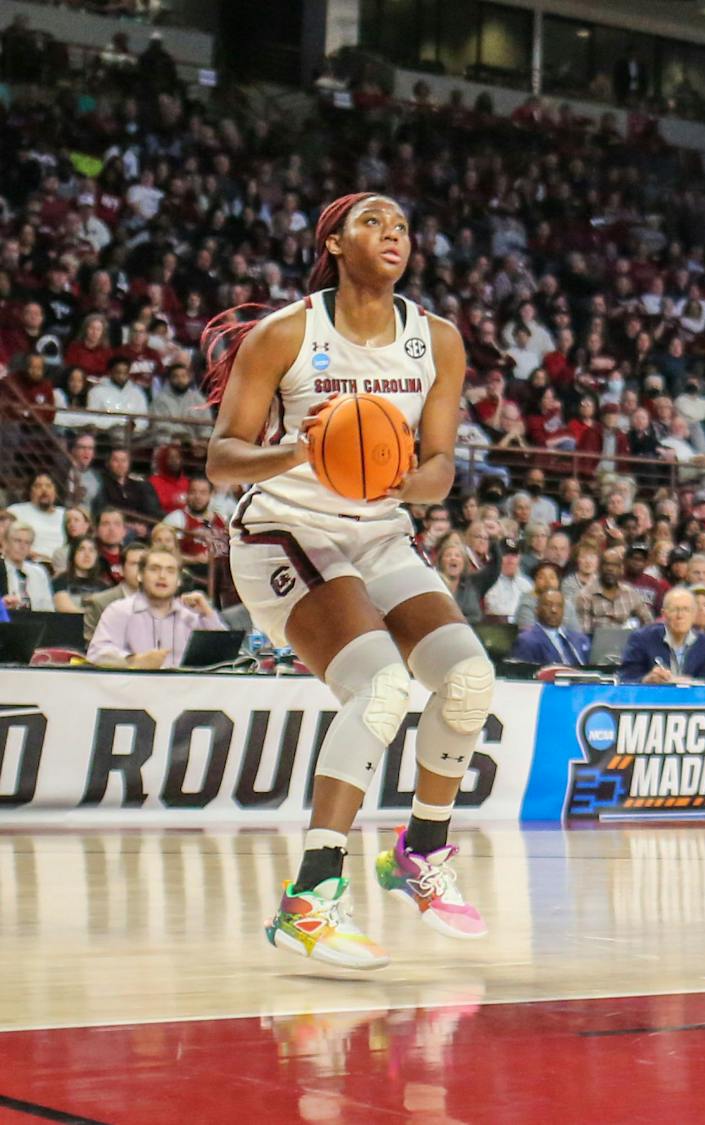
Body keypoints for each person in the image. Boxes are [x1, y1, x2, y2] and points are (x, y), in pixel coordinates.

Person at [205, 192, 495, 970]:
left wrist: (400, 478)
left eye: (402, 225)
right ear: (334, 242)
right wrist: (301, 453)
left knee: (468, 679)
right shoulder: (286, 332)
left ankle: (419, 851)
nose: (392, 233)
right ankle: (310, 898)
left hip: (380, 530)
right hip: (285, 528)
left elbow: (440, 468)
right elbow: (223, 457)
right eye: (373, 222)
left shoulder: (436, 339)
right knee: (383, 688)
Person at [86, 548, 224, 669]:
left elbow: (224, 657)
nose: (162, 576)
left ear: (179, 580)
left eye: (170, 571)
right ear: (140, 575)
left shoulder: (191, 616)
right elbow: (96, 654)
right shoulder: (119, 611)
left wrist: (208, 614)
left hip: (183, 688)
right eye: (154, 569)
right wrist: (134, 661)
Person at [618, 586, 705, 683]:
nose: (680, 615)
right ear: (664, 614)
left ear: (694, 614)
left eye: (686, 609)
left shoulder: (704, 643)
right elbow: (625, 678)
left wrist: (689, 682)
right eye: (674, 610)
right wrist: (647, 680)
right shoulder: (641, 639)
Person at [84, 542, 147, 642]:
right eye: (135, 564)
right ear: (121, 569)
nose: (141, 569)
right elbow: (92, 645)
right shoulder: (100, 603)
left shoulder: (162, 603)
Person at [576, 544, 647, 633]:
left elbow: (648, 621)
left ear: (621, 569)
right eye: (606, 564)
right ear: (599, 568)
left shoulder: (630, 593)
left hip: (627, 639)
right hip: (598, 640)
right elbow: (584, 633)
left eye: (614, 565)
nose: (610, 569)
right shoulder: (586, 596)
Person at [512, 588, 591, 667]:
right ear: (537, 610)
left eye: (559, 606)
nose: (554, 610)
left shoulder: (580, 639)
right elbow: (524, 673)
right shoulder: (527, 641)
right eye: (548, 605)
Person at [6, 471, 66, 561]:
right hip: (29, 562)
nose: (44, 490)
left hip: (63, 565)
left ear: (55, 492)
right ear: (30, 491)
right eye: (38, 486)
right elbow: (3, 539)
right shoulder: (16, 511)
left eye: (49, 486)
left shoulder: (65, 514)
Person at [1, 522, 54, 611]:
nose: (22, 546)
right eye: (17, 541)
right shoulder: (1, 569)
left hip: (36, 619)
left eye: (27, 543)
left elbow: (48, 608)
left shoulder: (39, 572)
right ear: (6, 543)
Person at [52, 538, 109, 614]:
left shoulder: (104, 586)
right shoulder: (60, 581)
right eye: (81, 549)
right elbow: (64, 608)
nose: (87, 555)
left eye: (91, 550)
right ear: (73, 554)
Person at [481, 539, 532, 620]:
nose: (510, 559)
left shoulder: (526, 585)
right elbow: (494, 610)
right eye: (505, 554)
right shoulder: (487, 582)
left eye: (514, 555)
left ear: (519, 558)